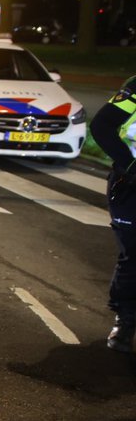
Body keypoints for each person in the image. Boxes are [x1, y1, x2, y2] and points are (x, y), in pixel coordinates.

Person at [89, 75, 136, 352]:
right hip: (131, 183)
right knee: (134, 255)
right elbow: (102, 125)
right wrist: (130, 167)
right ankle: (126, 319)